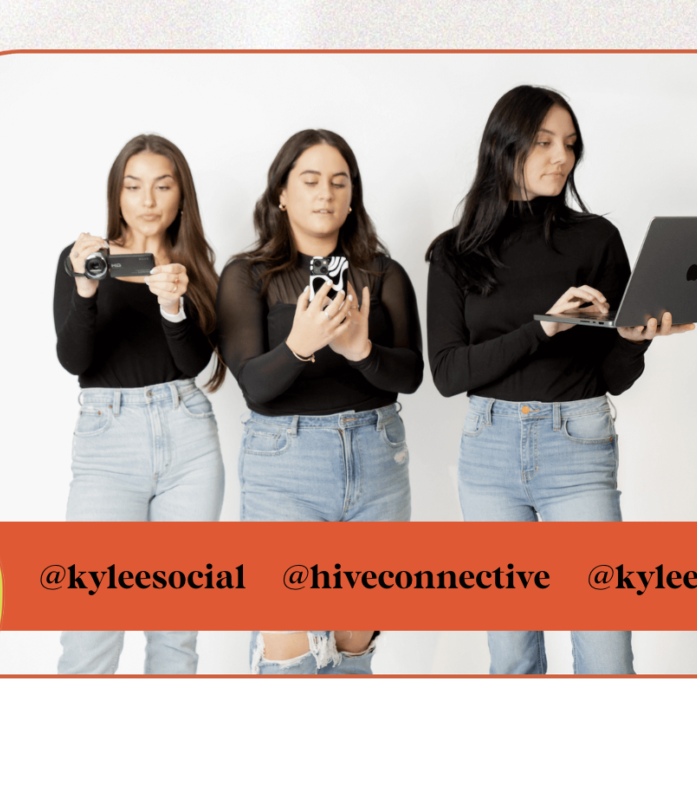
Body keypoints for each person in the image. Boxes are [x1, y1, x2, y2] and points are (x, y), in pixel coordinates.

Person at [426, 86, 693, 675]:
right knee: (512, 652)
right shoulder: (454, 253)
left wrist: (633, 339)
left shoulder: (596, 239)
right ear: (505, 145)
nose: (560, 158)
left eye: (569, 145)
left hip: (578, 442)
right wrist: (544, 328)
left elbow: (612, 377)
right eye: (544, 142)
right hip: (489, 453)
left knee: (605, 651)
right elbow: (447, 373)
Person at [216, 129, 424, 675]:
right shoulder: (247, 276)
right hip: (285, 466)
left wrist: (361, 350)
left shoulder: (384, 274)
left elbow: (412, 374)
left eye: (339, 182)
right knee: (290, 653)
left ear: (352, 197)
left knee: (354, 650)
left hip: (377, 462)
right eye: (309, 180)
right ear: (281, 194)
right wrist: (298, 345)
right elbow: (254, 385)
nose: (325, 193)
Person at [53, 134, 225, 674]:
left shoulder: (195, 263)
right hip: (108, 442)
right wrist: (84, 288)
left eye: (162, 185)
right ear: (117, 193)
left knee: (175, 633)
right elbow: (75, 360)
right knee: (91, 627)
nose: (147, 199)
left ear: (181, 197)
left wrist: (173, 307)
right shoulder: (85, 258)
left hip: (188, 439)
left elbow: (199, 365)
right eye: (133, 186)